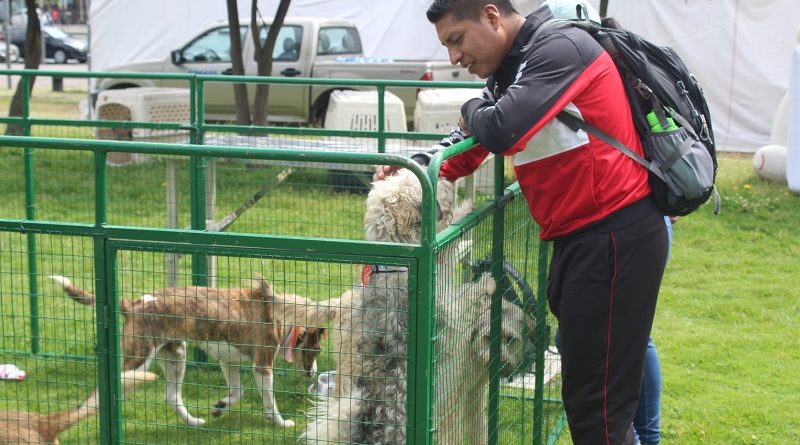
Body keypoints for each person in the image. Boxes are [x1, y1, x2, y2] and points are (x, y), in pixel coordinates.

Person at [376, 2, 669, 444]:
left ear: (492, 16)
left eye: (457, 39)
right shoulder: (516, 66)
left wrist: (475, 104)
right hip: (585, 239)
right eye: (447, 46)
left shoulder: (558, 50)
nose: (454, 57)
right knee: (605, 381)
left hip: (612, 235)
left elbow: (502, 129)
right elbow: (474, 143)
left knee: (596, 411)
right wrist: (417, 163)